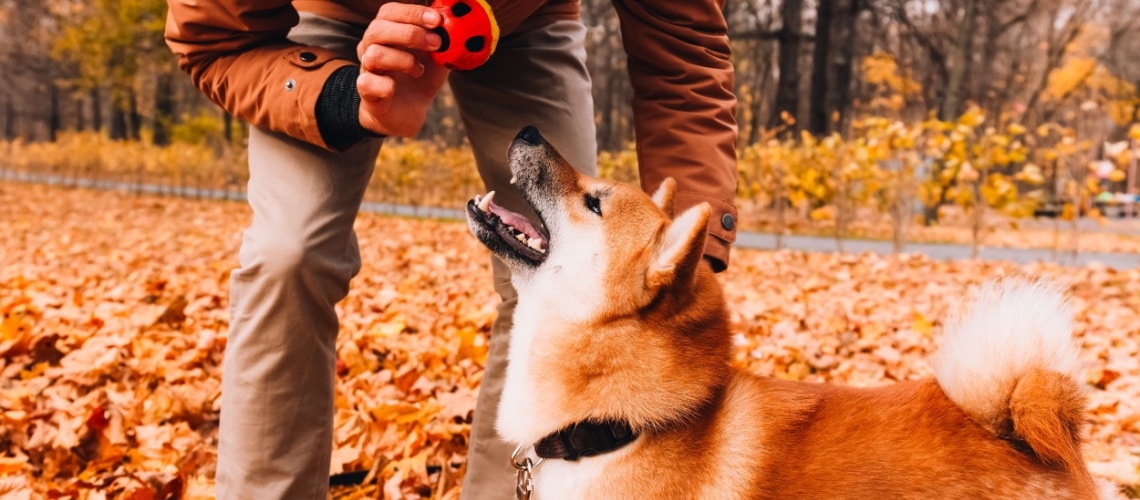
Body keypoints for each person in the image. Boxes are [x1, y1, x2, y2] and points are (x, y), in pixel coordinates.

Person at [164, 0, 739, 498]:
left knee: (563, 269)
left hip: (523, 19)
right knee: (287, 255)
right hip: (332, 23)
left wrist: (683, 265)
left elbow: (683, 52)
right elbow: (213, 38)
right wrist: (344, 99)